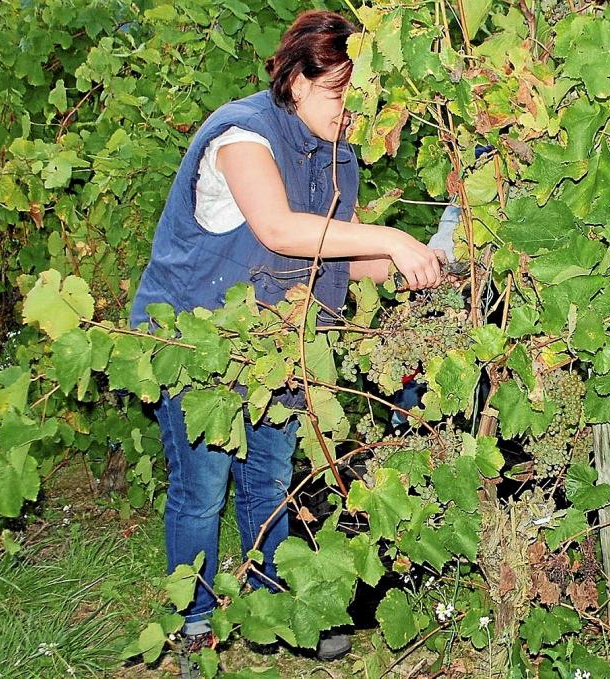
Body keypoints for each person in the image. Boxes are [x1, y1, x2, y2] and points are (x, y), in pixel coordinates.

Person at [130, 9, 444, 675]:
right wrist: (391, 237)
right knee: (203, 487)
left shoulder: (336, 154)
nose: (350, 111)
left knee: (271, 483)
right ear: (298, 80)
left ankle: (277, 607)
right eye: (338, 93)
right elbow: (279, 228)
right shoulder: (241, 134)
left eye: (360, 98)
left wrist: (421, 261)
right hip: (199, 342)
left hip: (279, 346)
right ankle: (193, 625)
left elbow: (341, 256)